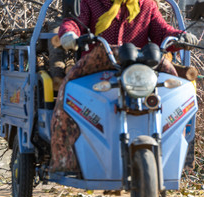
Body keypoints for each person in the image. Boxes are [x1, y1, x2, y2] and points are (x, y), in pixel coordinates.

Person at [49, 0, 199, 173]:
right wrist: (69, 33)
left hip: (140, 62)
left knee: (175, 86)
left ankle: (175, 151)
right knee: (67, 89)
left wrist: (180, 36)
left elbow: (162, 31)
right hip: (100, 59)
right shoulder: (90, 2)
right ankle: (64, 158)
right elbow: (74, 22)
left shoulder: (146, 5)